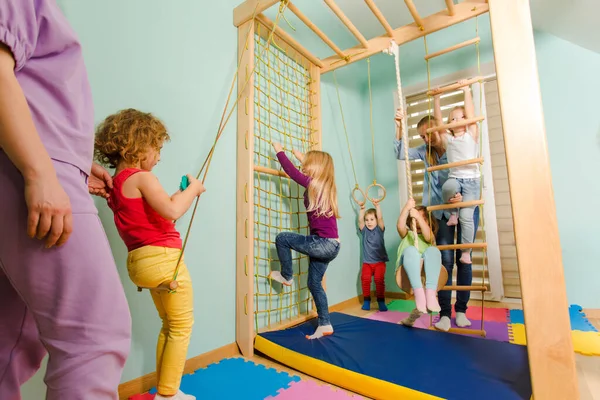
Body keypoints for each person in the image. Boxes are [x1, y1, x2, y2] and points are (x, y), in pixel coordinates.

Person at [0, 2, 131, 399]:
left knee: (8, 344)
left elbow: (35, 95)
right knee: (95, 334)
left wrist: (74, 163)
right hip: (30, 167)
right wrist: (40, 169)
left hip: (36, 162)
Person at [95, 109, 205, 400]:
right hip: (163, 260)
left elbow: (157, 214)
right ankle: (168, 396)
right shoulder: (142, 177)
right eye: (156, 148)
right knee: (181, 325)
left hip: (139, 262)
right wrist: (193, 190)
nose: (158, 156)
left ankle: (167, 390)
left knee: (168, 325)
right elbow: (171, 211)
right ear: (137, 145)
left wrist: (177, 195)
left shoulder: (118, 184)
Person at [394, 107, 480, 332]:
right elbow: (400, 153)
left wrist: (460, 195)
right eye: (422, 136)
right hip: (440, 213)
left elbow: (470, 173)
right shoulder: (425, 152)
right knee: (444, 261)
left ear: (439, 129)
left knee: (464, 260)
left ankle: (460, 311)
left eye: (428, 134)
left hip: (465, 207)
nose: (425, 139)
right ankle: (444, 313)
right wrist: (399, 127)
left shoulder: (456, 144)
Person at [268, 143, 341, 339]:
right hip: (332, 245)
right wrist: (301, 156)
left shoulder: (313, 185)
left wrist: (279, 150)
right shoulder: (326, 187)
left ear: (316, 168)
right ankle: (325, 324)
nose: (304, 168)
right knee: (314, 283)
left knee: (282, 238)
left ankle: (287, 276)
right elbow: (305, 167)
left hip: (322, 243)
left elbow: (292, 172)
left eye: (308, 165)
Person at [433, 81, 480, 265]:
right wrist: (437, 99)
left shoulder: (471, 134)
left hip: (471, 181)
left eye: (460, 118)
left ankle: (466, 252)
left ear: (466, 120)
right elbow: (438, 122)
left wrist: (466, 91)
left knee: (467, 217)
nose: (455, 121)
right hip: (455, 179)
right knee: (448, 187)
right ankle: (453, 213)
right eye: (452, 119)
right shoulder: (449, 140)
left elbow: (472, 115)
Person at [395, 199, 441, 314]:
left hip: (425, 272)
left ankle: (430, 293)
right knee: (410, 250)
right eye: (414, 220)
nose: (418, 223)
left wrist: (418, 218)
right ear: (410, 222)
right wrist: (407, 208)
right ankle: (419, 292)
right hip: (406, 269)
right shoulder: (407, 234)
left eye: (423, 219)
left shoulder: (429, 237)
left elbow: (428, 237)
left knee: (434, 251)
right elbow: (400, 226)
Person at [358, 200, 389, 311]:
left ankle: (381, 301)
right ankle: (367, 301)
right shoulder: (364, 231)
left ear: (376, 220)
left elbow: (380, 218)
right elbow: (360, 220)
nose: (369, 222)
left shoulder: (379, 230)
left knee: (379, 280)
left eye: (372, 219)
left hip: (379, 262)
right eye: (367, 220)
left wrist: (377, 206)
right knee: (365, 279)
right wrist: (362, 210)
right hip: (367, 262)